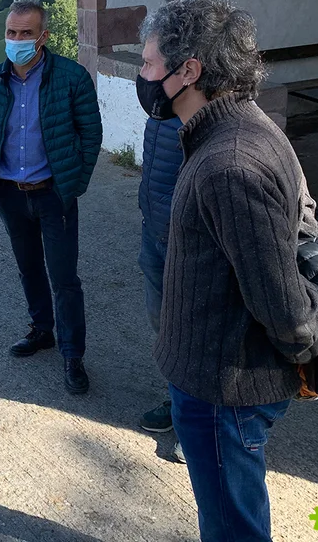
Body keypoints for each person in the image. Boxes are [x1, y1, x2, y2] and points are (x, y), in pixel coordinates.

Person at [139, 0, 318, 541]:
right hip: (216, 379)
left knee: (231, 528)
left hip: (224, 390)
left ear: (188, 71)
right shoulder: (233, 128)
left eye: (148, 64)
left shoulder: (230, 163)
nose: (142, 76)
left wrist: (304, 352)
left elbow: (281, 300)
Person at [0, 0, 103, 394]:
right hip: (10, 194)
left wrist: (74, 182)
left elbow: (91, 133)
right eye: (11, 32)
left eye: (26, 33)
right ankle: (42, 330)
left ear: (43, 36)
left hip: (53, 193)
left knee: (64, 278)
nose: (17, 40)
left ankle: (72, 354)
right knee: (29, 268)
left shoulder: (72, 77)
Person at [136, 116, 186, 463]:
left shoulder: (207, 112)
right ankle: (179, 400)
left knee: (193, 335)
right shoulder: (161, 109)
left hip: (186, 244)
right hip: (153, 232)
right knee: (163, 327)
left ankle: (197, 422)